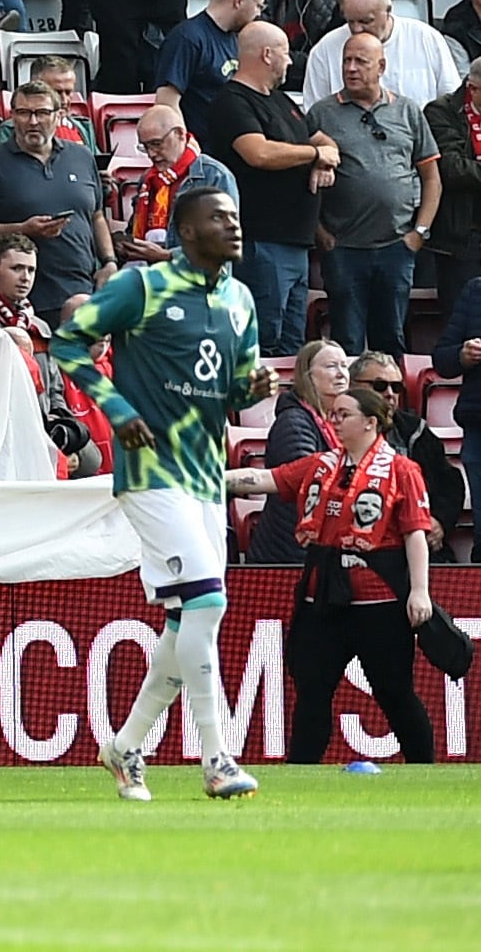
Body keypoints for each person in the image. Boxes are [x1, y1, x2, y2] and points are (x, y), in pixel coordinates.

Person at [48, 184, 271, 803]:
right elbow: (68, 341)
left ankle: (124, 746)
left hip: (204, 475)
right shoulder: (143, 286)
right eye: (219, 218)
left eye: (235, 214)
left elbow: (232, 393)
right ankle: (217, 757)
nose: (233, 225)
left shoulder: (240, 300)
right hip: (150, 471)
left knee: (186, 619)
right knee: (208, 603)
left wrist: (254, 388)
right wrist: (116, 409)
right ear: (187, 230)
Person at [263, 373, 438, 766]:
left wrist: (420, 590)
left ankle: (423, 769)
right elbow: (263, 479)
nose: (335, 420)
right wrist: (197, 481)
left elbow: (415, 533)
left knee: (394, 692)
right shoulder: (320, 463)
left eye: (344, 414)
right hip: (322, 599)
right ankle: (300, 771)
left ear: (370, 422)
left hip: (378, 603)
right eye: (334, 414)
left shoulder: (402, 469)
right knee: (311, 691)